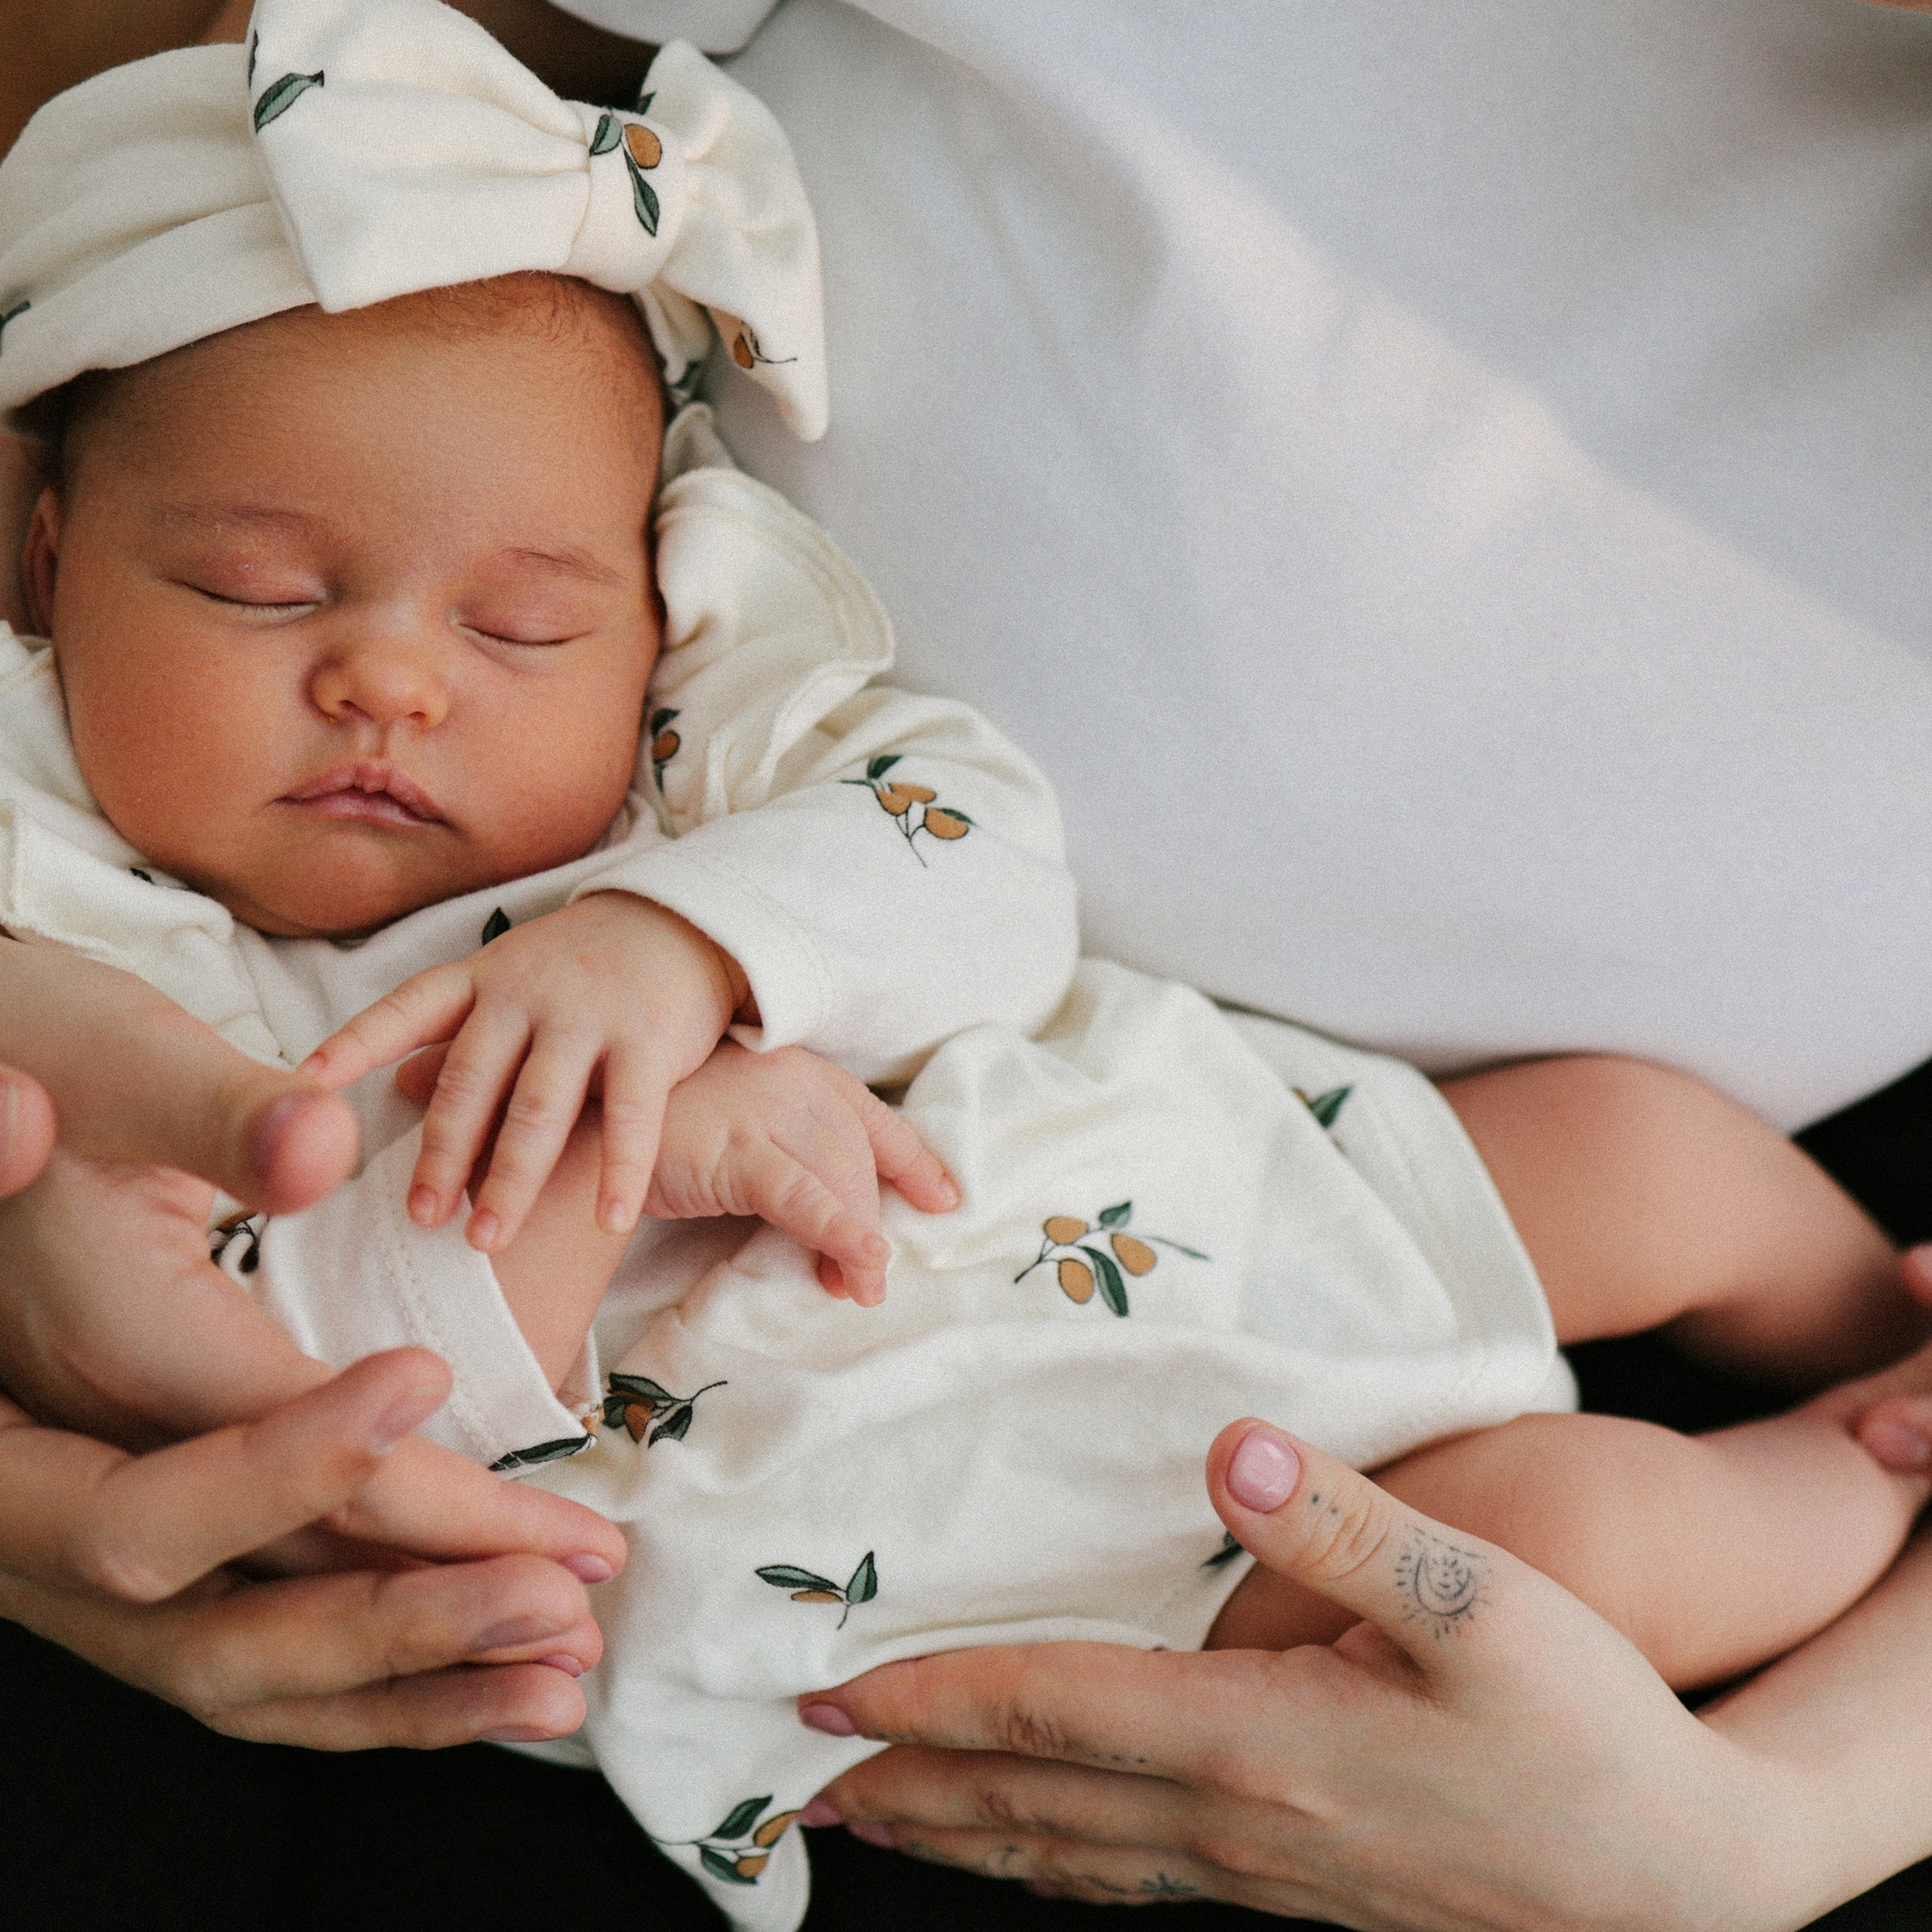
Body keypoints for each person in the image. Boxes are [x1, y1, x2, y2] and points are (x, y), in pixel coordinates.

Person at [8, 5, 1932, 1930]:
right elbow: (326, 1407)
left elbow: (974, 850)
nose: (393, 678)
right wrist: (640, 1150)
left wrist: (692, 938)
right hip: (980, 1518)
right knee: (1578, 1531)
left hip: (1142, 1165)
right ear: (45, 558)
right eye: (252, 589)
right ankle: (1849, 1472)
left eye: (522, 625)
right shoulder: (68, 904)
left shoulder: (698, 722)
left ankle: (1871, 1325)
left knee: (1646, 1157)